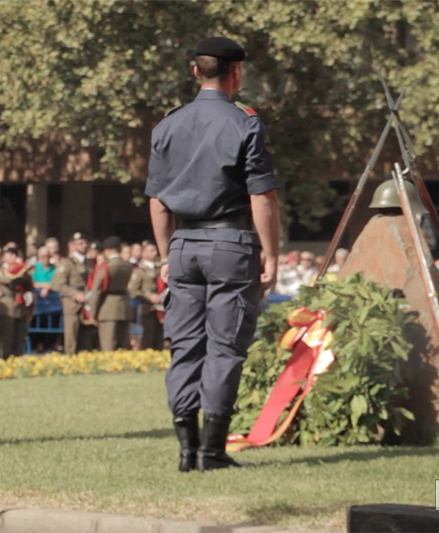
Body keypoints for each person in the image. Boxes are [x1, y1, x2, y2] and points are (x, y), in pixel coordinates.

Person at [146, 36, 280, 472]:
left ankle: (186, 450)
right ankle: (211, 450)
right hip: (231, 243)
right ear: (236, 72)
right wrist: (272, 255)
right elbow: (263, 199)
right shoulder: (246, 123)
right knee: (225, 348)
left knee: (184, 345)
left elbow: (158, 201)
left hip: (183, 244)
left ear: (195, 71)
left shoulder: (167, 125)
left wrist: (168, 253)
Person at [88, 236, 133, 351]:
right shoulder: (127, 266)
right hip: (124, 306)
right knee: (123, 344)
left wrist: (92, 312)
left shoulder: (106, 266)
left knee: (108, 344)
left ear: (109, 250)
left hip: (108, 307)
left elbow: (97, 290)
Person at [51, 232, 94, 354]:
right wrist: (75, 294)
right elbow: (57, 284)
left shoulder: (89, 263)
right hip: (72, 304)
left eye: (85, 243)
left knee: (86, 337)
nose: (84, 246)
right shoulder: (66, 263)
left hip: (87, 302)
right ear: (73, 245)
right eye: (80, 243)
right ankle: (70, 361)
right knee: (71, 336)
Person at [127, 242, 164, 349]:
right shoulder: (139, 271)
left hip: (161, 308)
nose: (155, 253)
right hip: (147, 308)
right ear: (143, 253)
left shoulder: (159, 269)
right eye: (151, 251)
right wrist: (148, 296)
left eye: (155, 250)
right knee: (148, 338)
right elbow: (133, 291)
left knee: (160, 338)